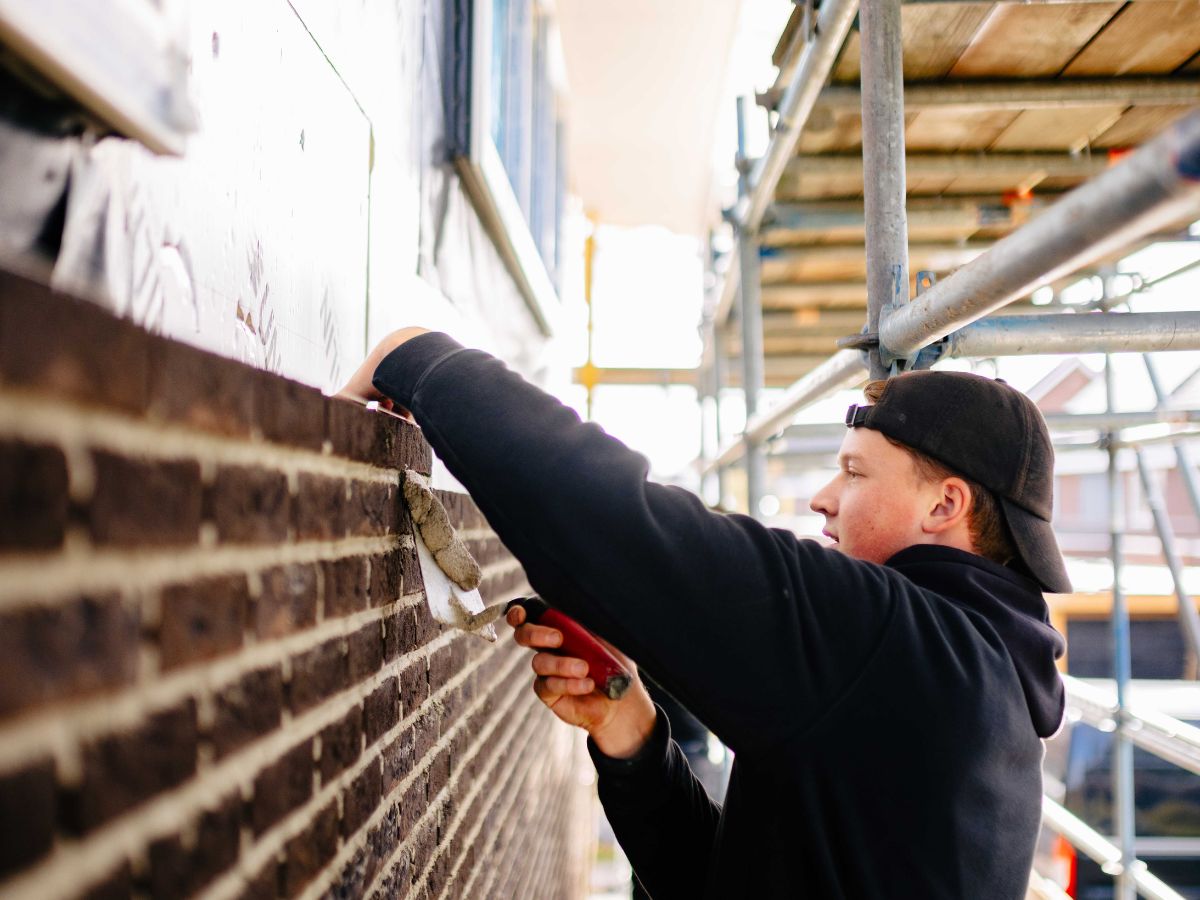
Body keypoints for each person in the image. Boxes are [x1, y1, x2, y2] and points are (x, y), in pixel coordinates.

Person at [341, 328, 1068, 899]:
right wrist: (634, 737)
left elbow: (613, 526)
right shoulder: (980, 684)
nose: (823, 498)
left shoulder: (905, 649)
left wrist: (419, 360)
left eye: (853, 472)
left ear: (945, 505)